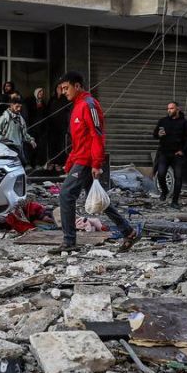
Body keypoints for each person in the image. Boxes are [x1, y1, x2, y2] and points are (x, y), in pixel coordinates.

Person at [50, 71, 138, 254]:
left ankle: (69, 241)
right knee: (99, 199)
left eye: (66, 88)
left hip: (87, 161)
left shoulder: (89, 105)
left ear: (77, 86)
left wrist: (97, 163)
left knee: (66, 195)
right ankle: (128, 232)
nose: (64, 92)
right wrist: (69, 163)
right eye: (62, 89)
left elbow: (97, 135)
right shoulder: (76, 106)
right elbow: (78, 142)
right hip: (80, 159)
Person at [153, 101, 187, 209]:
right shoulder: (163, 121)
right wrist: (158, 134)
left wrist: (183, 150)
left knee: (178, 177)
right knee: (161, 175)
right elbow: (154, 134)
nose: (169, 110)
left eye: (171, 108)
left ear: (177, 109)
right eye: (168, 109)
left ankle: (175, 201)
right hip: (164, 153)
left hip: (177, 154)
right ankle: (165, 191)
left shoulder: (185, 123)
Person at [0, 93, 36, 165]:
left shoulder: (21, 120)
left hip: (18, 148)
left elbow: (24, 134)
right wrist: (2, 138)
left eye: (20, 107)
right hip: (7, 147)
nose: (19, 109)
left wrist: (31, 140)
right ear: (11, 105)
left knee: (22, 164)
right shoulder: (4, 118)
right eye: (17, 106)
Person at [45, 83, 70, 171]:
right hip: (52, 126)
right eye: (58, 88)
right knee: (52, 145)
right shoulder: (52, 99)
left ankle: (59, 163)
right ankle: (52, 162)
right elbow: (47, 112)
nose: (60, 89)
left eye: (61, 88)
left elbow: (68, 111)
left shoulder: (65, 99)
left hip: (61, 126)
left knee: (60, 146)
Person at [24, 87, 47, 167]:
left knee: (38, 147)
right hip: (32, 127)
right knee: (30, 146)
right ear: (36, 93)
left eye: (42, 93)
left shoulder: (43, 103)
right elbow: (28, 113)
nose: (41, 94)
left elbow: (45, 115)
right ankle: (29, 163)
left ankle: (37, 163)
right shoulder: (30, 101)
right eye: (39, 92)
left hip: (40, 129)